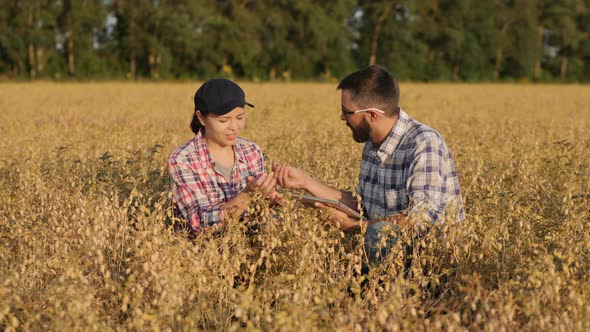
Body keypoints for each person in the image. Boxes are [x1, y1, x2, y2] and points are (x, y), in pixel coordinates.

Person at [273, 65, 464, 264]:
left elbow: (419, 222)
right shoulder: (373, 143)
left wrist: (352, 225)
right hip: (389, 251)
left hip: (429, 260)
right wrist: (306, 184)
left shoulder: (423, 143)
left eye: (346, 112)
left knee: (376, 233)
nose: (342, 118)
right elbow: (362, 205)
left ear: (372, 115)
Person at [168, 78, 279, 235]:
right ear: (201, 118)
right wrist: (248, 194)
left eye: (240, 118)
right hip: (203, 253)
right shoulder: (183, 159)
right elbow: (198, 224)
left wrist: (272, 197)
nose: (234, 127)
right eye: (223, 120)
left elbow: (261, 213)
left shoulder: (251, 150)